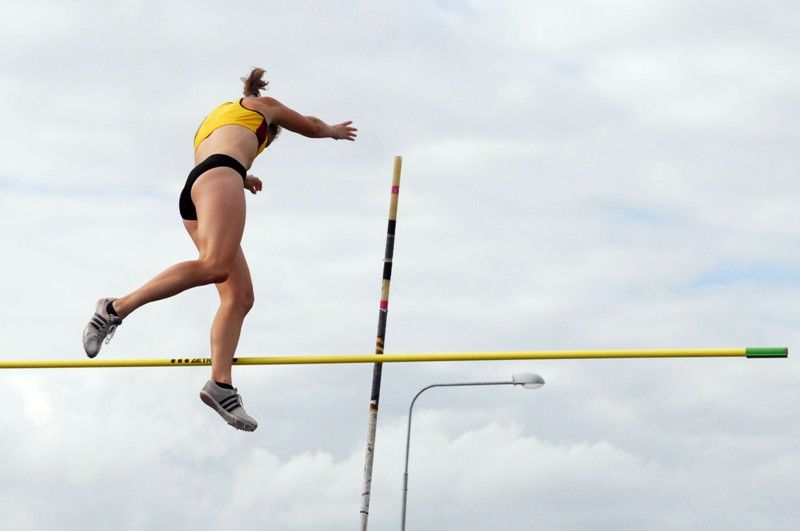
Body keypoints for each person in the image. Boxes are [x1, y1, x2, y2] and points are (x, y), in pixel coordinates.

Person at [82, 67, 357, 431]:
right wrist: (333, 132)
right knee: (214, 266)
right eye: (267, 144)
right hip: (220, 177)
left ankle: (221, 384)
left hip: (196, 191)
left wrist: (243, 176)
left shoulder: (214, 121)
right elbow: (308, 123)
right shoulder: (264, 107)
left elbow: (218, 154)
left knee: (239, 296)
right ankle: (114, 309)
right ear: (269, 130)